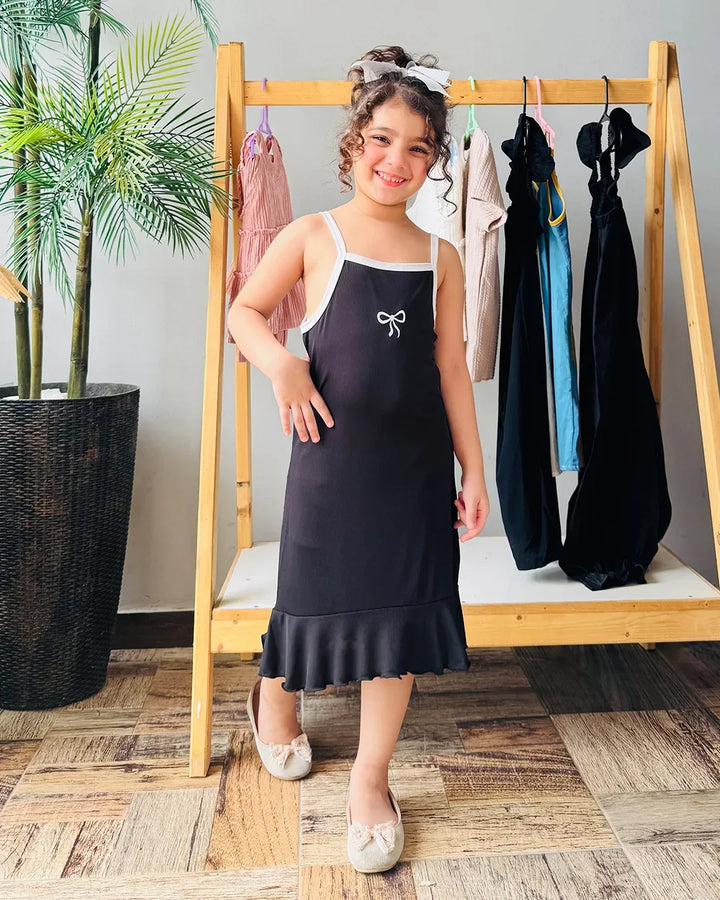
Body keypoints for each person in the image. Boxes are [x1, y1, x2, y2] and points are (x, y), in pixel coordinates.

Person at [227, 45, 489, 874]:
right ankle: (275, 695)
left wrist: (473, 470)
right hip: (330, 470)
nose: (396, 161)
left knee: (402, 620)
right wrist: (284, 364)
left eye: (418, 148)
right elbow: (245, 313)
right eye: (382, 140)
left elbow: (450, 367)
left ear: (434, 160)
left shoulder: (440, 257)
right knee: (310, 600)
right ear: (353, 143)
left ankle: (371, 779)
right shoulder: (313, 236)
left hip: (413, 477)